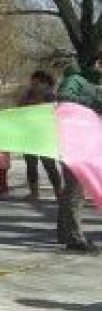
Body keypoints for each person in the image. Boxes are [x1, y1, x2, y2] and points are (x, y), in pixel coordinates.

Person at [55, 56, 102, 253]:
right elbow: (64, 97)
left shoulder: (94, 82)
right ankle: (74, 237)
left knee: (72, 191)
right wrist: (94, 101)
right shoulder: (74, 79)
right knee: (76, 190)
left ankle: (64, 233)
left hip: (90, 141)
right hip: (75, 141)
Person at [17, 70, 63, 201]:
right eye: (33, 82)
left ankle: (59, 193)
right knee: (31, 165)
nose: (34, 85)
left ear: (45, 83)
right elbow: (19, 111)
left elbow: (57, 114)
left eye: (37, 83)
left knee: (50, 165)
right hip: (28, 135)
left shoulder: (52, 97)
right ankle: (34, 193)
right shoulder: (27, 95)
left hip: (45, 136)